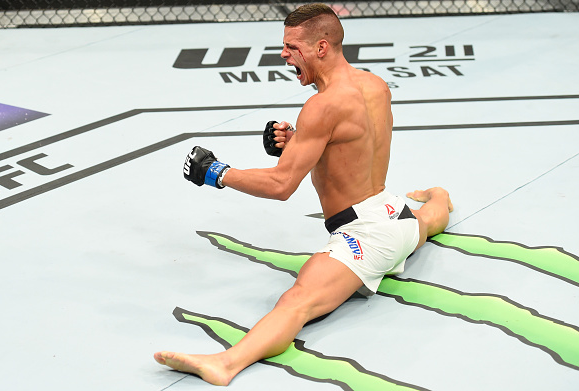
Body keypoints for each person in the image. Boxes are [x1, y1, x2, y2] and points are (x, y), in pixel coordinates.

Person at [155, 3, 453, 386]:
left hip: (364, 237)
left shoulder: (322, 106)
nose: (283, 54)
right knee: (432, 217)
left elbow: (282, 186)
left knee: (296, 302)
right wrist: (297, 145)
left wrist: (216, 173)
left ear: (322, 47)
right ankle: (441, 194)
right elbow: (351, 151)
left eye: (292, 46)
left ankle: (226, 364)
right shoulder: (375, 85)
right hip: (397, 215)